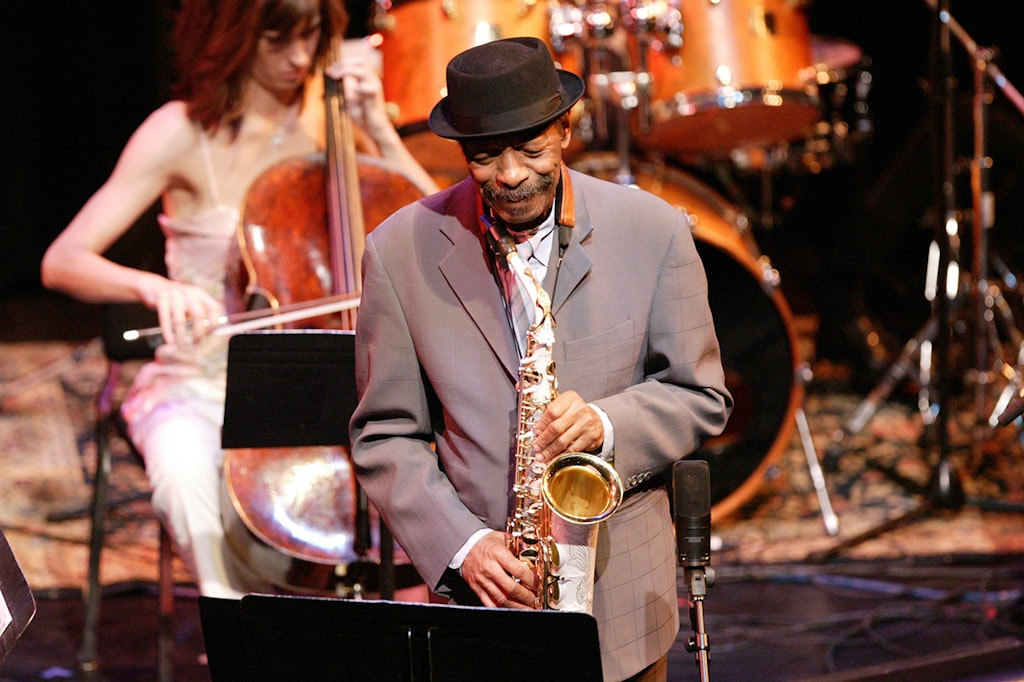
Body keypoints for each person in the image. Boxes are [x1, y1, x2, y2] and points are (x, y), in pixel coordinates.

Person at [349, 37, 732, 681]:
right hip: (485, 602)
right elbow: (385, 434)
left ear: (566, 129)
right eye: (484, 156)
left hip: (622, 604)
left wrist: (608, 427)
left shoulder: (654, 229)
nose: (509, 175)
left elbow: (702, 395)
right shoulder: (396, 252)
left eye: (530, 149)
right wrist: (463, 547)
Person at [40, 0, 437, 599]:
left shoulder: (330, 120)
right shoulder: (181, 132)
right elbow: (62, 261)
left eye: (312, 37)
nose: (299, 59)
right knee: (183, 474)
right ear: (236, 35)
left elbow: (446, 231)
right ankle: (233, 626)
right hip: (202, 383)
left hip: (324, 381)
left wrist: (379, 131)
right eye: (279, 39)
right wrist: (153, 286)